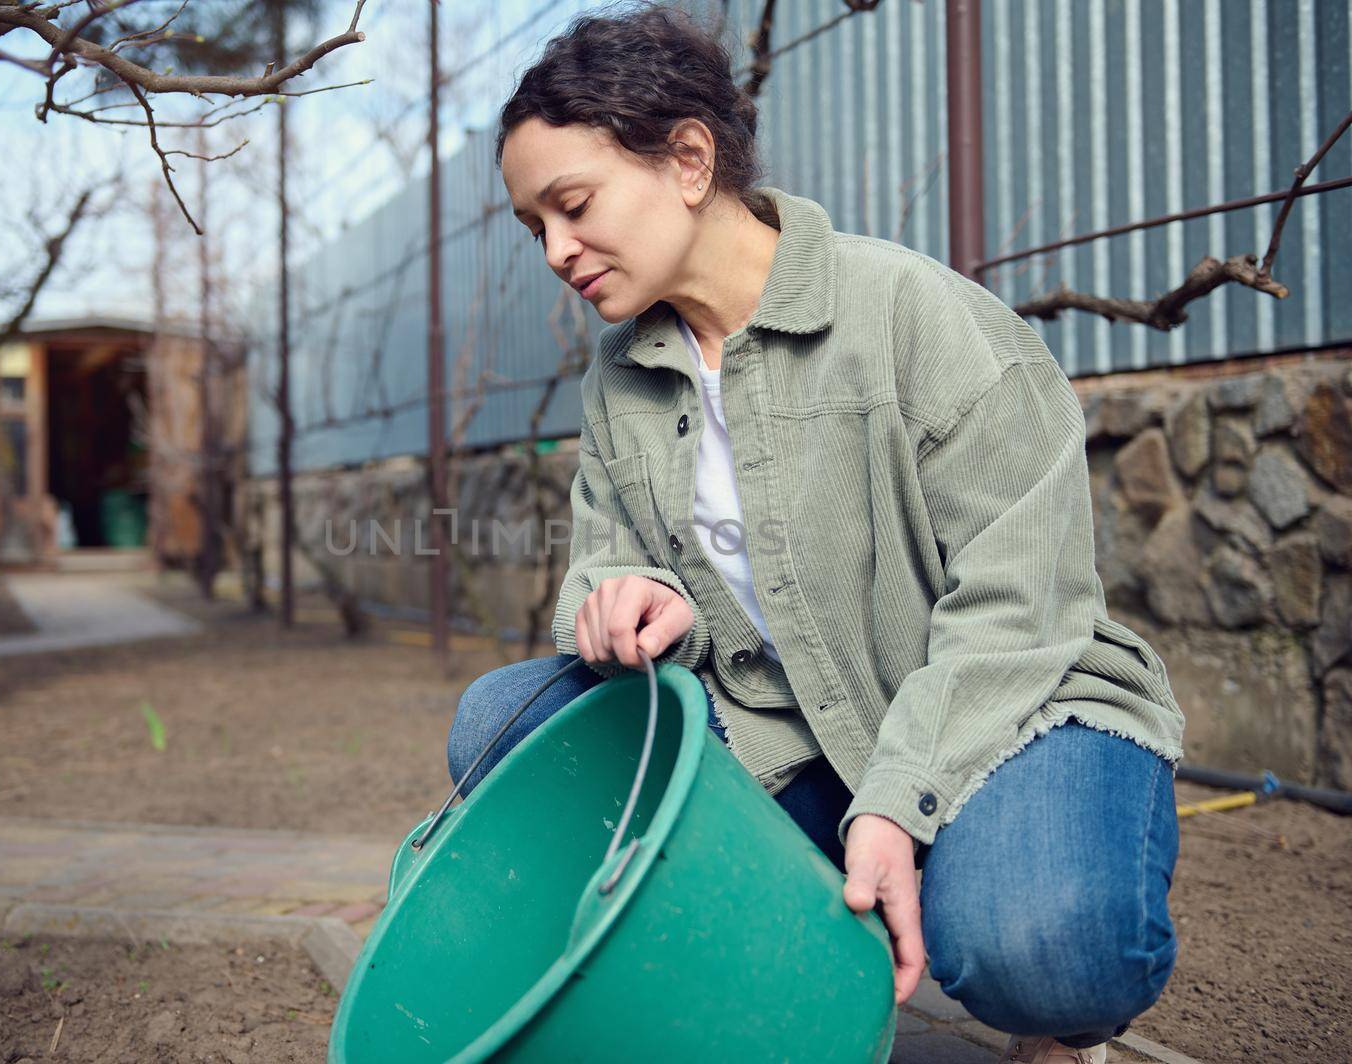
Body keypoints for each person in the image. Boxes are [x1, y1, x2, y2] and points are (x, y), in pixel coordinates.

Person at [446, 7, 1186, 1063]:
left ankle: (1054, 1010)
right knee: (497, 725)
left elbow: (1021, 607)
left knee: (1042, 944)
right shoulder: (619, 378)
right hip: (784, 736)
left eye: (572, 205)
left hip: (1003, 710)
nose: (557, 251)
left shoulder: (912, 316)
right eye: (535, 228)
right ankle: (767, 949)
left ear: (689, 159)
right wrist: (621, 600)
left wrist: (897, 802)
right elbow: (600, 562)